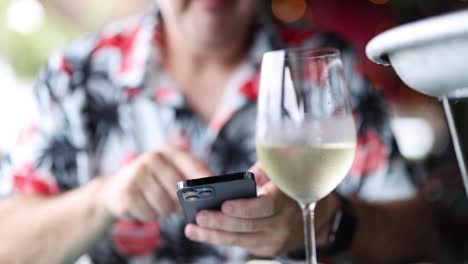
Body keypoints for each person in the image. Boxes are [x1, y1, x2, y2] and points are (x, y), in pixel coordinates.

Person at [0, 0, 438, 263]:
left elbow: (420, 236)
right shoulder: (75, 77)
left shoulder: (326, 66)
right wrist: (102, 198)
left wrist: (326, 221)